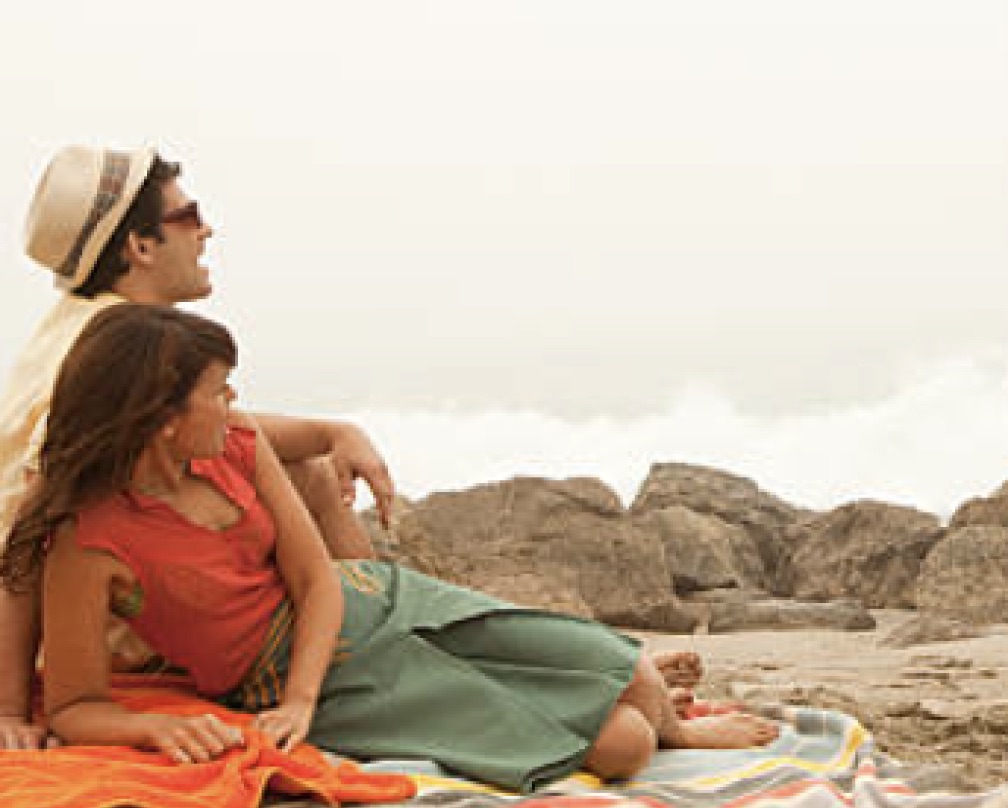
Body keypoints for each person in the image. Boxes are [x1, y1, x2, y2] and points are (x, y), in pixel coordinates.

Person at [0, 303, 778, 790]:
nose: (237, 403)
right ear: (164, 416)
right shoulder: (91, 538)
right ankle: (646, 719)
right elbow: (75, 704)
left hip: (372, 605)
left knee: (635, 680)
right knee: (621, 746)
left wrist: (299, 700)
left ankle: (677, 720)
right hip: (306, 676)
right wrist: (154, 726)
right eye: (221, 389)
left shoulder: (235, 445)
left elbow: (318, 579)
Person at [0, 145, 396, 749]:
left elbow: (221, 426)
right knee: (305, 480)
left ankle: (350, 636)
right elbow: (32, 523)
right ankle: (356, 665)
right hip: (87, 607)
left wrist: (331, 431)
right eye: (190, 216)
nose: (207, 230)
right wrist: (10, 707)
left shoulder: (103, 331)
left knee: (302, 469)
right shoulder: (90, 357)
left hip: (114, 583)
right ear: (140, 246)